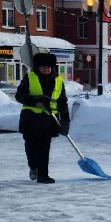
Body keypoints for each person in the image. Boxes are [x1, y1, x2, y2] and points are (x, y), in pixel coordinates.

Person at [15, 50, 68, 184]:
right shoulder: (30, 77)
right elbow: (19, 96)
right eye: (44, 66)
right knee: (32, 147)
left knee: (45, 148)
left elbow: (62, 102)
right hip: (31, 119)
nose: (47, 69)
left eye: (49, 66)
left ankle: (43, 175)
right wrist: (36, 99)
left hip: (49, 120)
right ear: (38, 67)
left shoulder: (58, 81)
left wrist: (66, 120)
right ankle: (33, 166)